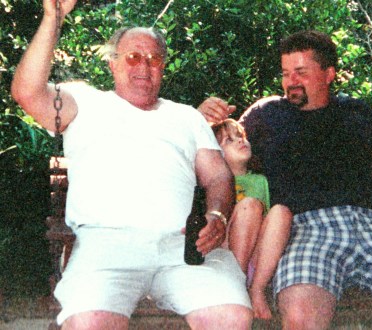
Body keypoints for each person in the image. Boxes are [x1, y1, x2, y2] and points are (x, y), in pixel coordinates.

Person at [11, 1, 253, 329]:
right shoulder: (83, 104)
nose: (144, 66)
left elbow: (218, 177)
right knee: (90, 321)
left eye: (153, 59)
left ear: (163, 67)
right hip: (106, 248)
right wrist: (53, 18)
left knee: (232, 316)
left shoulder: (186, 117)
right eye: (133, 57)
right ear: (112, 64)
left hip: (181, 248)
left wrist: (217, 215)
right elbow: (26, 92)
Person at [198, 30, 372, 329]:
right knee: (302, 320)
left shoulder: (355, 112)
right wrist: (201, 119)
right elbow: (220, 146)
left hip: (371, 226)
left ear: (328, 74)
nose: (291, 81)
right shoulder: (266, 114)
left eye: (301, 72)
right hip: (304, 229)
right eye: (286, 73)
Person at [211, 118, 292, 320]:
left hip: (256, 260)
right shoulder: (214, 183)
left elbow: (269, 226)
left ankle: (256, 289)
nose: (240, 141)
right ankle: (236, 286)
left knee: (281, 211)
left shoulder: (260, 180)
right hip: (227, 256)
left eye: (241, 136)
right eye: (229, 140)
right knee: (250, 206)